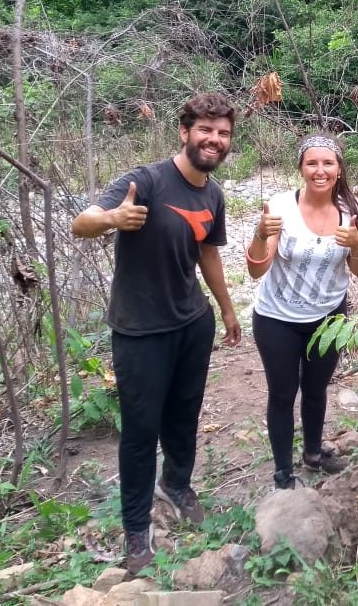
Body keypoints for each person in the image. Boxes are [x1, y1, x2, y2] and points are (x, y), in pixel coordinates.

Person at [70, 92, 242, 574]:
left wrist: (227, 310)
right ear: (184, 131)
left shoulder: (212, 192)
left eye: (223, 133)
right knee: (141, 432)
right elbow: (80, 222)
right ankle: (135, 529)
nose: (214, 139)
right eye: (205, 130)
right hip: (140, 329)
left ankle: (178, 485)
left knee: (185, 415)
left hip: (192, 322)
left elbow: (208, 252)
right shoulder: (144, 181)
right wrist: (111, 218)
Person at [245, 134, 358, 490]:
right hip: (277, 318)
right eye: (312, 163)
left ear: (339, 168)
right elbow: (257, 269)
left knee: (316, 388)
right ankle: (283, 473)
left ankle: (313, 454)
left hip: (329, 317)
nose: (320, 170)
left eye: (328, 163)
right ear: (300, 168)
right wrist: (258, 234)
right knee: (283, 393)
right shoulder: (281, 207)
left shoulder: (352, 211)